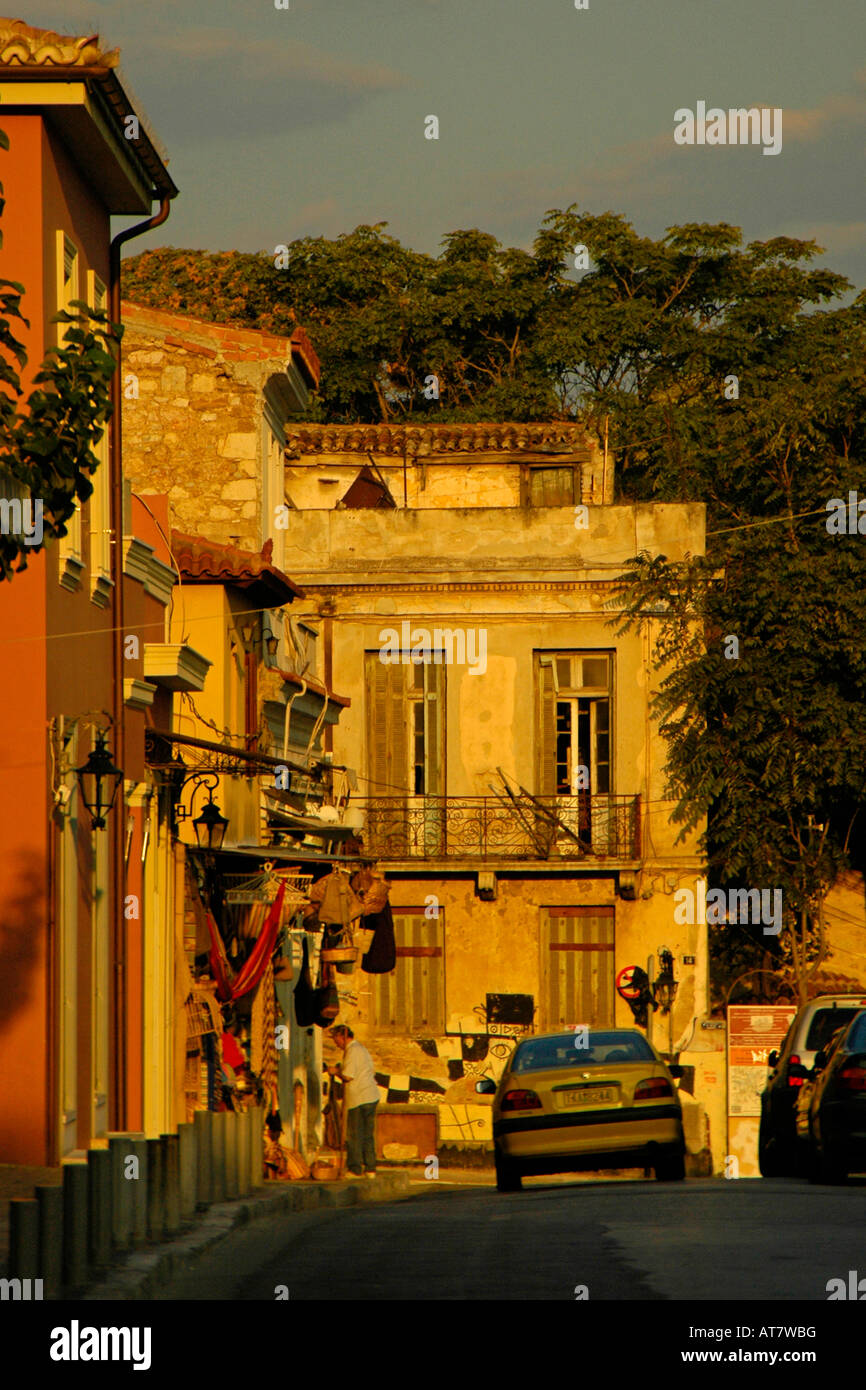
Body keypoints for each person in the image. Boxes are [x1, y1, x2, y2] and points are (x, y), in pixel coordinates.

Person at [327, 1024, 380, 1178]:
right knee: (367, 1134)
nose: (335, 1043)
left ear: (341, 1037)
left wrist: (335, 1071)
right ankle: (370, 1169)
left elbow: (348, 1076)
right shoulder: (361, 1049)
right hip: (371, 1095)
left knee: (354, 1134)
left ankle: (355, 1169)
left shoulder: (352, 1050)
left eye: (335, 1039)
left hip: (359, 1098)